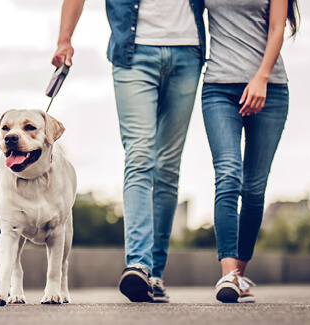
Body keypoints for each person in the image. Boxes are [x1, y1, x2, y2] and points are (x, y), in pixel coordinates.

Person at [52, 0, 206, 303]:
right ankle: (138, 263)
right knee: (139, 156)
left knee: (168, 167)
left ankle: (156, 273)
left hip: (187, 51)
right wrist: (64, 38)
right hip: (132, 53)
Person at [202, 0, 300, 303]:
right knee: (228, 174)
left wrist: (261, 77)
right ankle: (228, 274)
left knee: (254, 189)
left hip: (270, 90)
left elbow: (276, 29)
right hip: (219, 88)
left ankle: (238, 276)